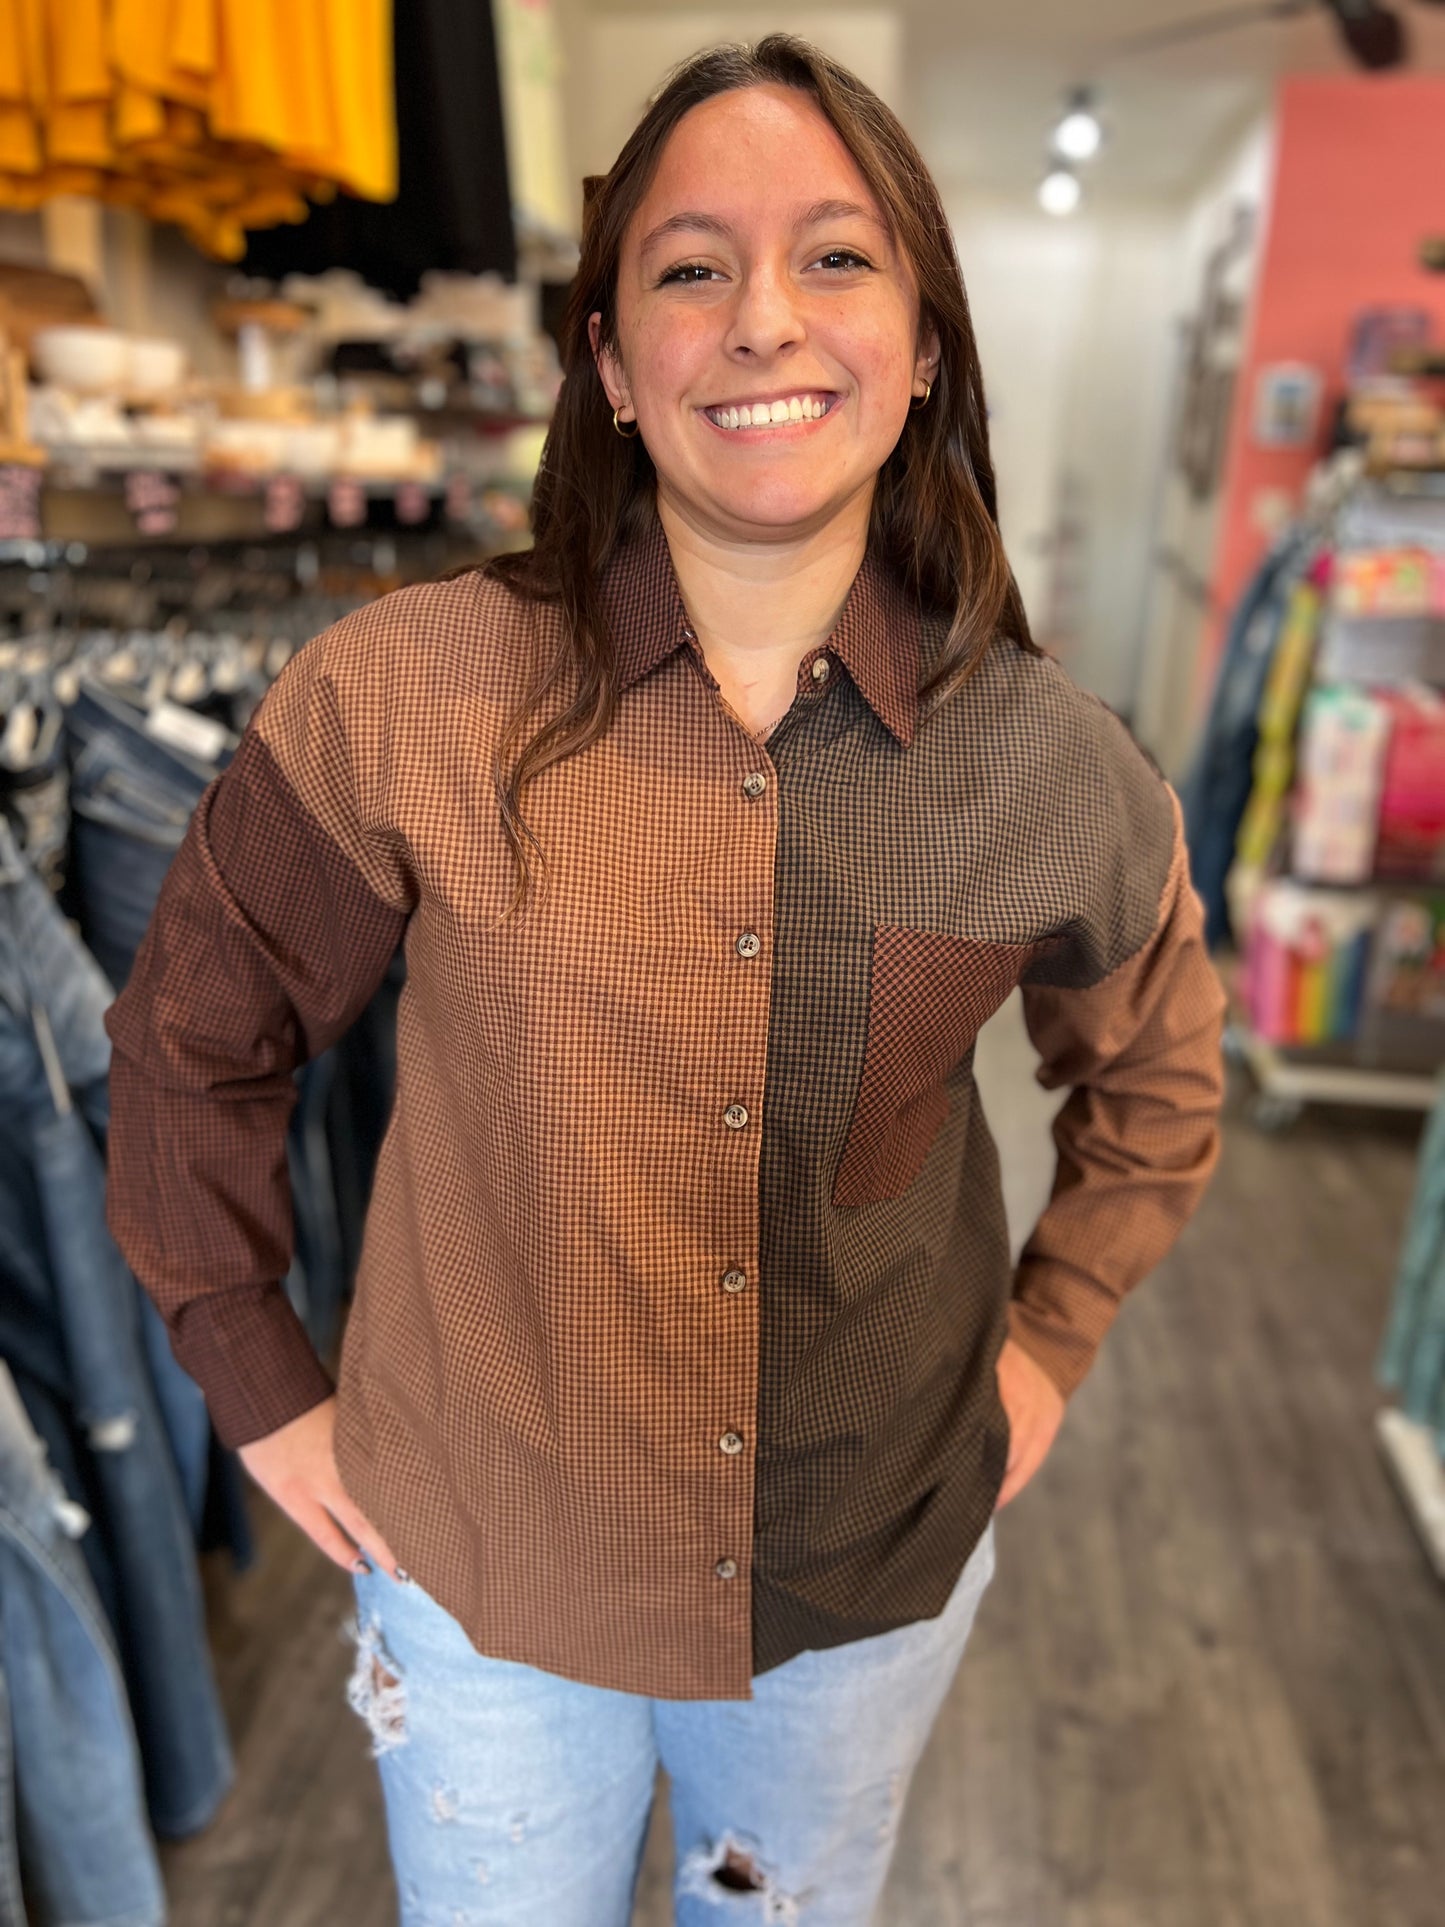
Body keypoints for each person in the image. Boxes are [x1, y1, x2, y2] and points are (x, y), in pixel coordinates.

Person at [102, 33, 1229, 1927]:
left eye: (838, 258)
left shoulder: (1050, 762)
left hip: (858, 1580)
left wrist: (1050, 1346)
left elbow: (1159, 1087)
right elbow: (189, 1037)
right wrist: (253, 1367)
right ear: (613, 363)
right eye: (690, 267)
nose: (764, 320)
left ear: (927, 341)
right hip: (480, 1574)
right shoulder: (408, 694)